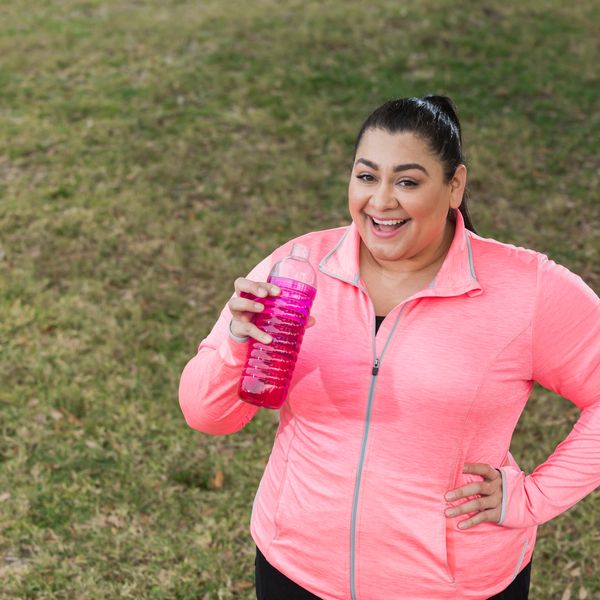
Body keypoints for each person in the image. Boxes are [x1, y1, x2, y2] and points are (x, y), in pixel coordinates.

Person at [178, 96, 600, 599]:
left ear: (454, 186)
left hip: (452, 586)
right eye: (366, 176)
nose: (380, 202)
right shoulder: (297, 267)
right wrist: (234, 345)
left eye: (407, 181)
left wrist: (533, 499)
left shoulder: (526, 288)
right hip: (296, 570)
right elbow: (208, 417)